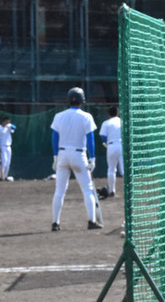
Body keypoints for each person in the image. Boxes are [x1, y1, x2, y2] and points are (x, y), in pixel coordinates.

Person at [51, 87, 101, 231]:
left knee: (59, 191)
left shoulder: (59, 116)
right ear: (82, 100)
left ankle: (55, 223)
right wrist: (92, 158)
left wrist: (55, 156)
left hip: (62, 154)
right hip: (79, 155)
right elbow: (90, 138)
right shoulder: (86, 116)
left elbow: (54, 137)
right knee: (87, 189)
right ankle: (92, 221)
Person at [98, 105, 123, 199]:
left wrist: (107, 143)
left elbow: (103, 137)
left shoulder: (106, 123)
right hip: (121, 146)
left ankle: (112, 190)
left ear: (109, 114)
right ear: (118, 113)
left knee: (111, 170)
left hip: (111, 146)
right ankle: (130, 191)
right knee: (124, 170)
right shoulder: (122, 122)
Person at [0, 116, 16, 181]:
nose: (8, 123)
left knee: (8, 162)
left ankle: (5, 176)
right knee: (4, 161)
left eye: (8, 121)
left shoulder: (8, 127)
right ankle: (1, 177)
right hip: (2, 146)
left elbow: (15, 128)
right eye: (7, 121)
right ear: (3, 121)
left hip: (8, 146)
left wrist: (10, 125)